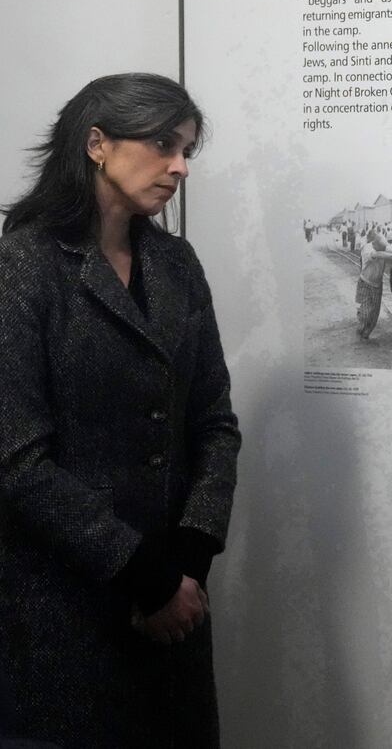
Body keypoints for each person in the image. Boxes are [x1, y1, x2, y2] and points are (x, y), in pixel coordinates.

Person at [0, 73, 241, 748]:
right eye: (164, 142)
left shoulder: (175, 263)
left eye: (188, 148)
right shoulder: (23, 265)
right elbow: (15, 457)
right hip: (64, 614)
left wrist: (190, 555)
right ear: (97, 143)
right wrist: (143, 572)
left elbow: (215, 420)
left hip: (175, 610)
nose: (180, 166)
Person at [356, 229, 392, 340]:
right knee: (366, 314)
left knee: (374, 315)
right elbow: (378, 254)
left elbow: (391, 248)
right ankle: (361, 328)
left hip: (377, 285)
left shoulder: (382, 246)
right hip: (365, 283)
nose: (384, 249)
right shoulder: (367, 249)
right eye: (381, 248)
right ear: (374, 244)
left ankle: (365, 334)